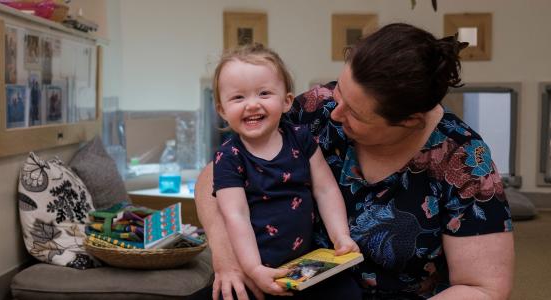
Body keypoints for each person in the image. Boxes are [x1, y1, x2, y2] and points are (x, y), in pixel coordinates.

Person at [194, 23, 514, 300]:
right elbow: (215, 176)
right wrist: (228, 259)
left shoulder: (464, 162)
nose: (335, 112)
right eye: (341, 91)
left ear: (409, 121)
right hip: (288, 280)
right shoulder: (317, 109)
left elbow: (484, 289)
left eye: (354, 113)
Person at [208, 43, 361, 299]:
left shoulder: (300, 139)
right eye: (238, 97)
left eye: (264, 93)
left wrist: (340, 236)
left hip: (304, 266)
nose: (252, 105)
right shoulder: (228, 157)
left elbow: (325, 189)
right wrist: (253, 269)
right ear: (222, 110)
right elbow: (236, 215)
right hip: (255, 269)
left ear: (287, 101)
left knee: (348, 292)